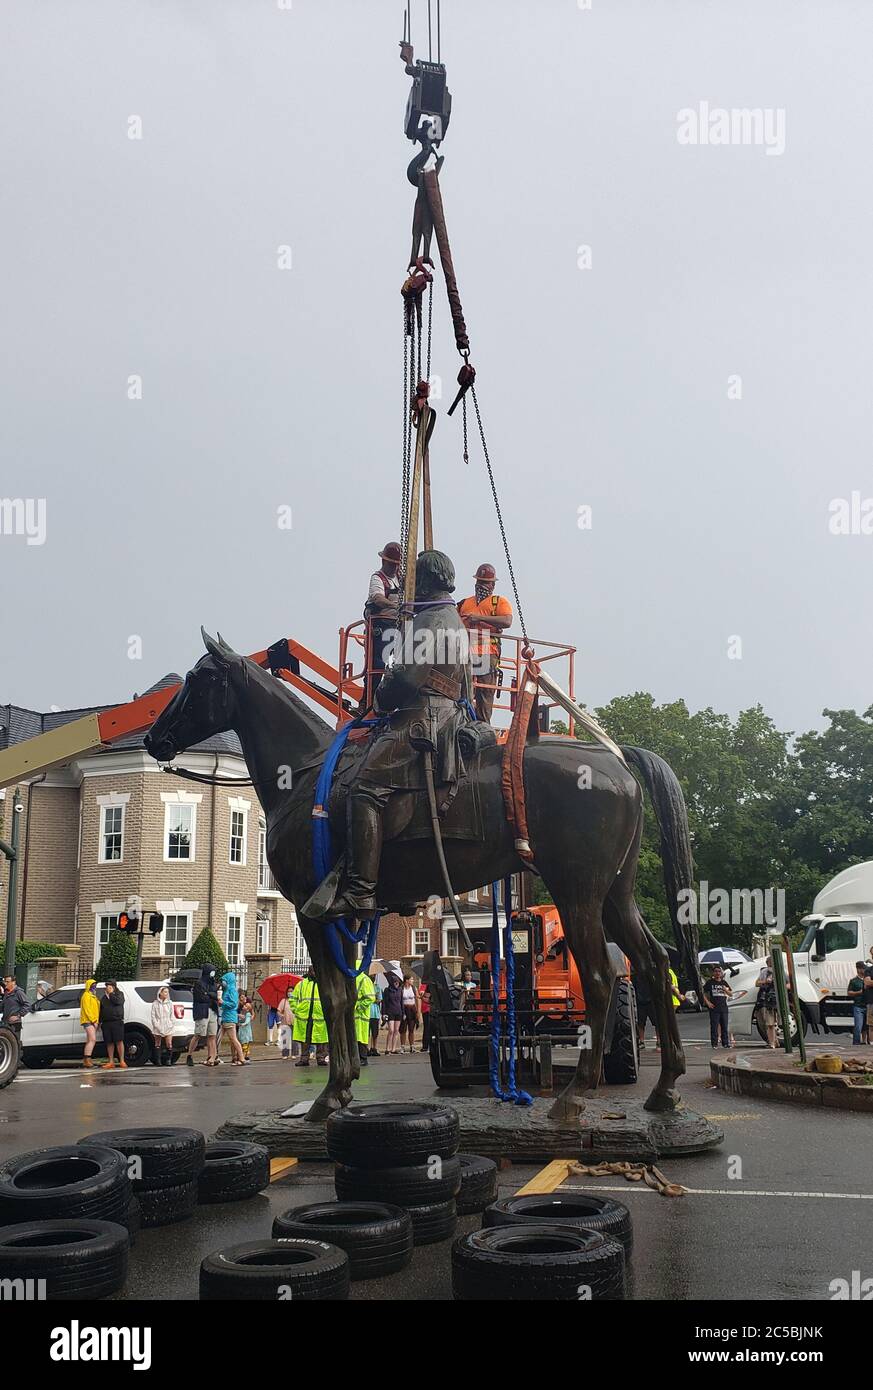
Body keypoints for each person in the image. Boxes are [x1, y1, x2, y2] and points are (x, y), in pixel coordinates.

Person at [304, 551, 472, 925]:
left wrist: (381, 697)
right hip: (451, 714)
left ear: (424, 582)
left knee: (364, 788)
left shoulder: (429, 621)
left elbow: (408, 679)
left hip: (422, 719)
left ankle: (361, 890)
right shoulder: (456, 621)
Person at [457, 563, 512, 723]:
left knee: (485, 693)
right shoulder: (465, 603)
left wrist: (479, 618)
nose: (480, 585)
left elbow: (507, 621)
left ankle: (482, 726)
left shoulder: (498, 602)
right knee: (464, 691)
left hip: (488, 653)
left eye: (484, 582)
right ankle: (463, 722)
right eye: (479, 581)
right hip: (466, 653)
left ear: (493, 585)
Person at [364, 540, 402, 705]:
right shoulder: (378, 578)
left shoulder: (401, 579)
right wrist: (395, 605)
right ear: (383, 561)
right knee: (377, 665)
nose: (394, 567)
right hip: (380, 627)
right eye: (391, 564)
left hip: (397, 626)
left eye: (396, 564)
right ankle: (368, 702)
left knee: (402, 664)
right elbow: (377, 598)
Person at [290, 968, 328, 1066]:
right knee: (305, 1039)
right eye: (312, 971)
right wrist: (296, 1010)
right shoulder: (302, 984)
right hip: (304, 1017)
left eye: (315, 971)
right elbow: (293, 998)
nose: (314, 972)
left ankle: (320, 1058)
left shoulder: (324, 983)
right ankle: (304, 1059)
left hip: (319, 1016)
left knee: (320, 1039)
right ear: (309, 972)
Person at [188, 965, 219, 1067]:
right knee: (198, 1034)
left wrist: (209, 994)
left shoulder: (213, 983)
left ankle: (212, 1057)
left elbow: (216, 996)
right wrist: (211, 996)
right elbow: (201, 997)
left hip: (213, 1010)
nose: (213, 974)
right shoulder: (199, 983)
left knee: (212, 1035)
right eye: (212, 972)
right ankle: (189, 1055)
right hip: (202, 1011)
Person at [220, 971, 246, 1066]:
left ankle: (242, 1058)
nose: (223, 982)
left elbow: (233, 1004)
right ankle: (213, 1057)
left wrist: (222, 1002)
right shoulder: (227, 990)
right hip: (225, 1017)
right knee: (218, 1039)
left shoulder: (232, 991)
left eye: (224, 980)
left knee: (234, 1039)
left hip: (230, 1017)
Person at [703, 965, 732, 1048]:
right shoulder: (710, 982)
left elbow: (731, 993)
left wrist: (725, 990)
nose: (717, 973)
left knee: (724, 1026)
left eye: (719, 971)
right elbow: (703, 993)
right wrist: (707, 1002)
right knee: (714, 1026)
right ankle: (714, 1043)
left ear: (721, 973)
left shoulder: (724, 982)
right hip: (714, 1007)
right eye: (716, 971)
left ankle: (725, 1043)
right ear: (713, 972)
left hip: (723, 1007)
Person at [99, 981, 126, 1069]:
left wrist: (111, 994)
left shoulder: (119, 994)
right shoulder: (103, 998)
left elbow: (118, 1002)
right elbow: (101, 1010)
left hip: (117, 1021)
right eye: (107, 987)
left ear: (114, 987)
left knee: (119, 1041)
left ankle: (122, 1060)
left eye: (109, 987)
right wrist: (100, 1021)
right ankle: (111, 1061)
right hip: (106, 1022)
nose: (107, 988)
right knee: (109, 1042)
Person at [355, 967, 377, 1065]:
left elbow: (371, 997)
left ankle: (363, 1058)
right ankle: (358, 1058)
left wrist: (360, 1007)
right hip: (356, 1013)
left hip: (361, 1014)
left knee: (361, 1036)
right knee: (357, 1037)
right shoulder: (356, 978)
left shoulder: (364, 979)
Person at [755, 956, 779, 1049]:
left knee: (775, 1023)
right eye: (768, 962)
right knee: (768, 1023)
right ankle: (772, 1042)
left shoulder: (780, 971)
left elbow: (788, 983)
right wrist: (765, 981)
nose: (769, 963)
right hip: (765, 1000)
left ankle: (774, 1041)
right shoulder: (764, 972)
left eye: (771, 961)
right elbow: (757, 983)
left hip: (776, 1000)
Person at [150, 986, 174, 1066]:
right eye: (165, 992)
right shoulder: (155, 1003)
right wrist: (157, 1025)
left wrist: (171, 1024)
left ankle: (168, 1060)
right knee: (157, 1043)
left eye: (167, 992)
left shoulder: (170, 1003)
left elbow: (172, 1015)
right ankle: (158, 1060)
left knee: (169, 1043)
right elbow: (153, 1016)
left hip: (168, 1025)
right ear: (160, 993)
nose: (166, 994)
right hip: (158, 1025)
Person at [1, 976, 30, 1040]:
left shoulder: (18, 992)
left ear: (13, 982)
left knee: (14, 1042)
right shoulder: (6, 993)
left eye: (7, 982)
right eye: (4, 981)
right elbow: (3, 1006)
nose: (5, 983)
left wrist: (18, 1015)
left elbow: (27, 1005)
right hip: (6, 1023)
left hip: (14, 1024)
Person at [79, 977, 100, 1068]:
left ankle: (87, 1060)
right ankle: (87, 1059)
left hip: (93, 1020)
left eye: (95, 986)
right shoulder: (86, 996)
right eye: (92, 986)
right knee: (92, 1039)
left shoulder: (93, 996)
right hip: (88, 1021)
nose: (94, 987)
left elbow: (96, 1009)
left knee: (89, 1040)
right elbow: (87, 1009)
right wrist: (93, 1020)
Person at [382, 971, 404, 1055]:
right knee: (391, 1030)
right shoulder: (387, 990)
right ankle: (387, 1048)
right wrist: (384, 1013)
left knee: (396, 1030)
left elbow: (401, 1002)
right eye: (395, 982)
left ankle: (393, 1049)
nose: (396, 984)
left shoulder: (400, 990)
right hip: (390, 1012)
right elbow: (384, 1003)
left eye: (397, 982)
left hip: (398, 1012)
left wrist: (403, 1012)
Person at [848, 961, 868, 1047]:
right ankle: (856, 1043)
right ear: (858, 969)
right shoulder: (853, 981)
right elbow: (849, 993)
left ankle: (865, 1041)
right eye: (863, 968)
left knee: (866, 1026)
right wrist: (859, 992)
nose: (864, 970)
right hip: (858, 1006)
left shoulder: (868, 980)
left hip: (867, 1005)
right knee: (858, 1026)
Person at [399, 974, 420, 1053]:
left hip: (412, 1009)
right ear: (406, 980)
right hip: (404, 1009)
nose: (412, 981)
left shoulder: (414, 988)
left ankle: (412, 1046)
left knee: (411, 1029)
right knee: (403, 1029)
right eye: (411, 979)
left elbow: (417, 1000)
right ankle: (402, 1047)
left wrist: (418, 1011)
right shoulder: (401, 989)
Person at [277, 985, 296, 1059]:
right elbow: (278, 1010)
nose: (290, 993)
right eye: (288, 991)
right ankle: (285, 1054)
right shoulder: (284, 1001)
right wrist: (281, 1015)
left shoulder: (296, 1000)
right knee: (285, 1039)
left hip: (295, 1022)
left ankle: (294, 1054)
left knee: (294, 1040)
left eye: (291, 991)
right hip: (285, 1022)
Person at [368, 979, 383, 1056]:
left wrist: (375, 998)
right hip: (367, 1013)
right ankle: (366, 1048)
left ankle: (374, 1048)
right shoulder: (366, 986)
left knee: (375, 1033)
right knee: (367, 1033)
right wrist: (373, 999)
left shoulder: (378, 988)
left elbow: (379, 1000)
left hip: (375, 1014)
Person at [238, 992, 254, 1060]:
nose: (244, 1006)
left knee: (245, 1044)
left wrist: (242, 1024)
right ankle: (244, 1054)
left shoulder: (247, 1014)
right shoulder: (241, 1011)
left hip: (245, 1032)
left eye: (246, 1007)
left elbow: (247, 1021)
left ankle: (244, 1056)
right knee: (242, 1043)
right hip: (242, 1031)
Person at [418, 979, 431, 1053]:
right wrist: (426, 996)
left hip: (432, 1009)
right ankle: (425, 1046)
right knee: (427, 1028)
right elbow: (422, 996)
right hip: (426, 1009)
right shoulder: (423, 985)